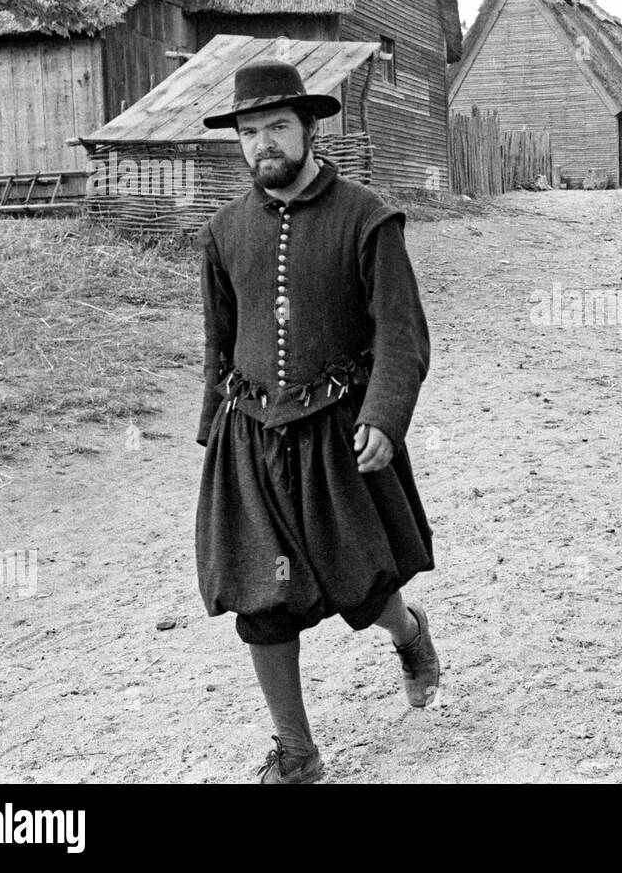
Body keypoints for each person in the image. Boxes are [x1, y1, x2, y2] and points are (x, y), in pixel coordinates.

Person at [194, 59, 439, 784]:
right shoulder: (222, 231)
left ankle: (409, 633)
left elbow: (401, 333)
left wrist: (384, 415)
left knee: (360, 582)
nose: (262, 143)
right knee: (260, 597)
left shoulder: (367, 217)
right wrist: (213, 428)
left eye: (276, 126)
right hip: (251, 435)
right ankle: (297, 754)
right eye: (249, 132)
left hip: (338, 431)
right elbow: (217, 340)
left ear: (308, 129)